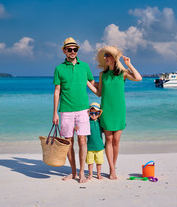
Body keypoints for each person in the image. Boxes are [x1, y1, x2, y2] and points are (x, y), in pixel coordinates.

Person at [53, 37, 99, 183]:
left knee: (82, 140)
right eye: (69, 49)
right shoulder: (59, 69)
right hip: (65, 110)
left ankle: (82, 173)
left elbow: (92, 83)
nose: (72, 52)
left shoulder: (84, 66)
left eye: (75, 49)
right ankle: (73, 172)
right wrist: (55, 112)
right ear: (64, 51)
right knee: (68, 142)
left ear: (77, 50)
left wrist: (110, 81)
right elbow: (57, 91)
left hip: (83, 110)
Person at [95, 46, 142, 180]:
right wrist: (86, 82)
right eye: (104, 56)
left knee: (116, 141)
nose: (105, 58)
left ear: (114, 58)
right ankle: (111, 168)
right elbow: (99, 93)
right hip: (106, 110)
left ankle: (113, 166)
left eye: (107, 56)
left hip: (119, 110)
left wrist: (129, 64)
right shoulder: (102, 74)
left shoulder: (123, 73)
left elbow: (138, 78)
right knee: (108, 140)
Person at [86, 102, 104, 180]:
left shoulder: (100, 122)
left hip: (99, 146)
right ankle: (90, 174)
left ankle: (98, 174)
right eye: (92, 113)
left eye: (96, 113)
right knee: (90, 162)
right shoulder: (87, 122)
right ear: (89, 113)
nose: (94, 115)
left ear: (99, 114)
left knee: (99, 162)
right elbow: (80, 127)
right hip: (90, 147)